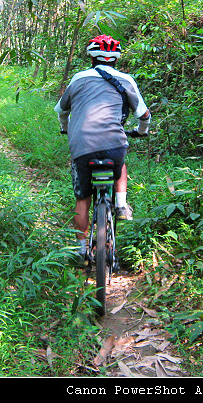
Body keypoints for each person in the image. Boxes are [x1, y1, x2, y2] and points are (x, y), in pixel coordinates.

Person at [54, 35, 151, 260]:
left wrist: (65, 129)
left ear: (91, 58)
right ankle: (121, 205)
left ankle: (81, 250)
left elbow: (61, 111)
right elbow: (144, 115)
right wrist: (141, 131)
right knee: (120, 164)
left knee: (82, 200)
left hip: (82, 146)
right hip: (114, 144)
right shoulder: (126, 80)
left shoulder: (79, 78)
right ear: (116, 59)